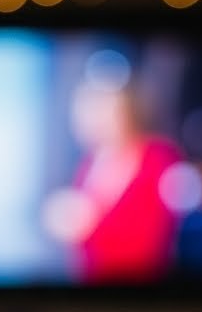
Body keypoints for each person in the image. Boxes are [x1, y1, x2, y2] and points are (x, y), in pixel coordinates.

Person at [44, 75, 183, 283]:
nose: (91, 120)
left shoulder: (159, 157)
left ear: (125, 109)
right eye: (83, 112)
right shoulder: (89, 163)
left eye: (100, 108)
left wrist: (92, 221)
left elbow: (165, 231)